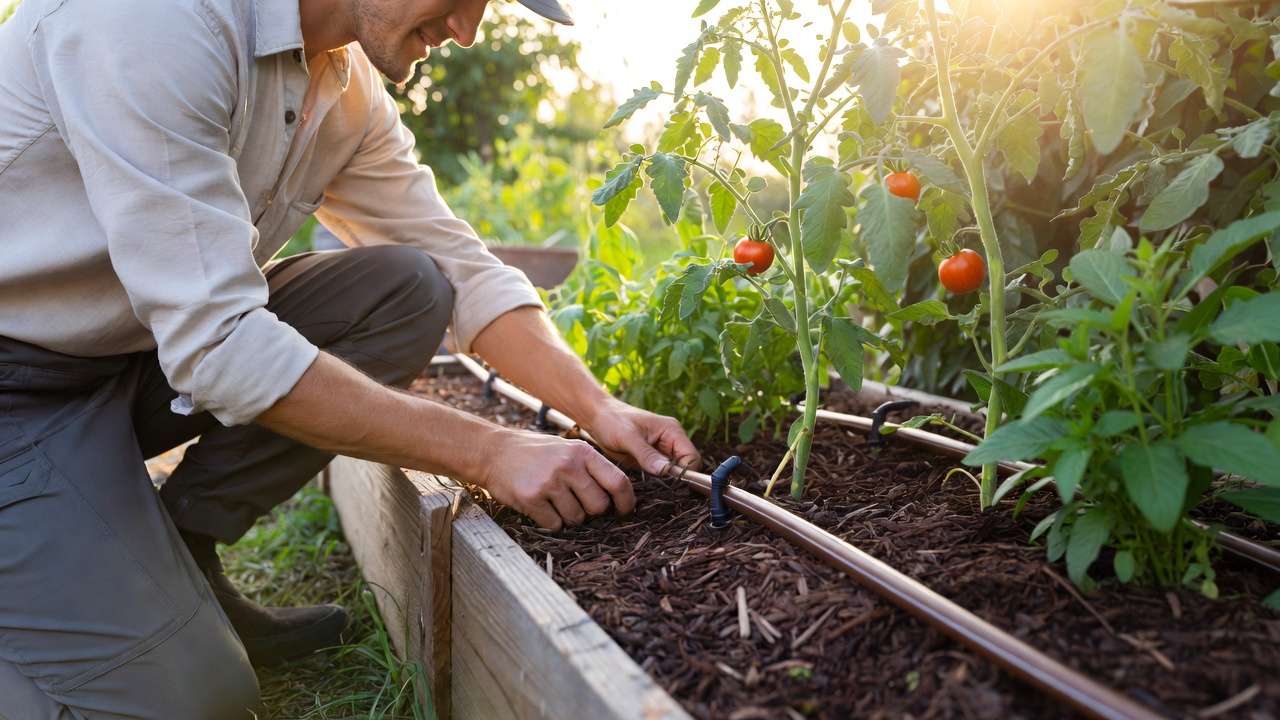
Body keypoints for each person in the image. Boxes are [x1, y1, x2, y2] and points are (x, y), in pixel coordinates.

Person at [0, 0, 701, 715]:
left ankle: (181, 560)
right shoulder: (153, 22)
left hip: (127, 351)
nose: (466, 30)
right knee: (187, 698)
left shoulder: (339, 81)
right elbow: (218, 342)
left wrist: (599, 407)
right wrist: (488, 452)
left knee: (405, 288)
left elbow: (459, 266)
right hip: (15, 381)